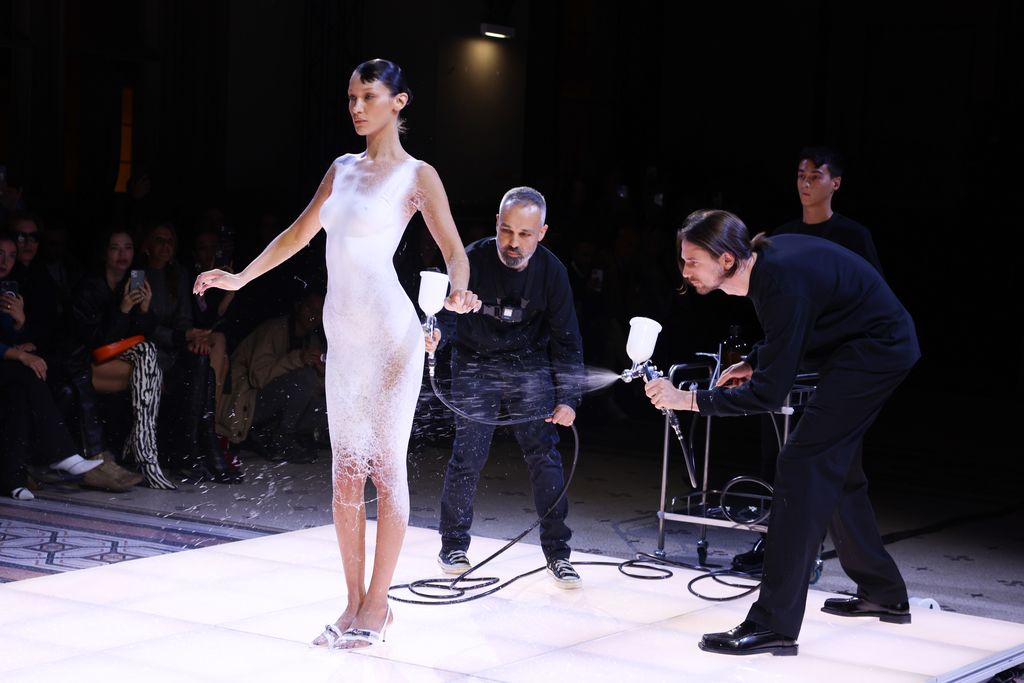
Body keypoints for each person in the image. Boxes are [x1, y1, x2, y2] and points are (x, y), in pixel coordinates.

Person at [193, 58, 480, 650]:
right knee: (344, 475)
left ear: (398, 103)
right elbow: (298, 234)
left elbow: (455, 250)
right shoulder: (341, 169)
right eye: (350, 97)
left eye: (368, 96)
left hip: (392, 337)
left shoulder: (417, 176)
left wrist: (458, 287)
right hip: (343, 339)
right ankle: (352, 603)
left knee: (384, 467)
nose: (355, 107)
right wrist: (241, 278)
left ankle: (380, 604)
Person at [644, 209, 919, 656]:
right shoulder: (767, 272)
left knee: (801, 463)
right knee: (838, 470)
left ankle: (774, 623)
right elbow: (795, 330)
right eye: (683, 260)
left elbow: (768, 396)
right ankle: (883, 591)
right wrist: (755, 360)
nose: (685, 270)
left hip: (876, 352)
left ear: (728, 260)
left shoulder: (778, 280)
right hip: (860, 347)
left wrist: (688, 400)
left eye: (693, 261)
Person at [733, 146, 886, 572]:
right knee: (777, 446)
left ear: (835, 183)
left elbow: (870, 296)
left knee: (821, 459)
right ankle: (775, 542)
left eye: (816, 175)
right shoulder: (780, 236)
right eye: (801, 174)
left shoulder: (853, 236)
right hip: (791, 355)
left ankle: (803, 551)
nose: (805, 182)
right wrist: (763, 355)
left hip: (841, 361)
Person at [426, 186, 585, 588]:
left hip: (527, 365)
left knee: (544, 457)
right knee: (468, 455)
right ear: (497, 224)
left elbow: (567, 339)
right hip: (475, 362)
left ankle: (558, 554)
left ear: (542, 232)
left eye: (525, 234)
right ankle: (454, 545)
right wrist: (435, 335)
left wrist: (569, 398)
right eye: (507, 231)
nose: (514, 243)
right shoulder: (471, 258)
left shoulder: (552, 273)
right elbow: (444, 313)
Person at [1, 231, 103, 500]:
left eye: (11, 256)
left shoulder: (8, 291)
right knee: (26, 370)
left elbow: (9, 340)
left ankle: (13, 480)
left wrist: (19, 322)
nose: (5, 261)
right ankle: (62, 453)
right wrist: (20, 354)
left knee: (22, 390)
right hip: (8, 364)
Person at [71, 229, 171, 489]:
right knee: (150, 363)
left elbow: (140, 335)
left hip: (123, 358)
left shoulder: (133, 280)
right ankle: (145, 454)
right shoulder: (89, 286)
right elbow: (94, 341)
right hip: (87, 361)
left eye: (127, 247)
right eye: (115, 248)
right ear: (105, 253)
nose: (122, 254)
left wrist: (145, 309)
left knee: (148, 352)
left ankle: (142, 448)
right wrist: (123, 309)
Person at [219, 287, 327, 462]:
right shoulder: (275, 329)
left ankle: (278, 435)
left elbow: (314, 390)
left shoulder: (311, 339)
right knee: (304, 378)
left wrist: (322, 374)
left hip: (274, 406)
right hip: (245, 404)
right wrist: (298, 359)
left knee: (327, 405)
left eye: (320, 311)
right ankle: (280, 438)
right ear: (298, 306)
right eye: (310, 308)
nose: (314, 314)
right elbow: (258, 377)